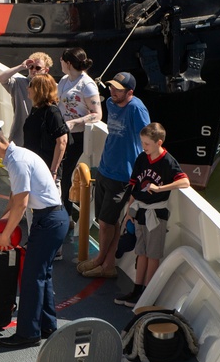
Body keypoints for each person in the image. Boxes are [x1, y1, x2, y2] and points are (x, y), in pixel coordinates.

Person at [0, 121, 68, 346]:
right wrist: (0, 222)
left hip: (48, 221)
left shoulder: (17, 162)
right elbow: (14, 198)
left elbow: (22, 203)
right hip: (52, 218)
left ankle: (28, 333)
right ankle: (46, 325)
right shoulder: (18, 156)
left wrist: (5, 234)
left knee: (31, 277)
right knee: (42, 275)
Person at [76, 72, 150, 279]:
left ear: (130, 92)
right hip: (105, 169)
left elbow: (147, 140)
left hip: (123, 176)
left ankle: (101, 260)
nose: (112, 91)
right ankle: (108, 264)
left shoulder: (136, 108)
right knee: (106, 220)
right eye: (111, 87)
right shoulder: (109, 103)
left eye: (118, 89)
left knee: (107, 222)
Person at [114, 123, 189, 307]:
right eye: (142, 143)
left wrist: (160, 188)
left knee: (152, 255)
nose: (143, 147)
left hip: (156, 215)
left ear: (158, 142)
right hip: (140, 212)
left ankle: (148, 294)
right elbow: (134, 185)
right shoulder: (142, 158)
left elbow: (185, 182)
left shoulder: (168, 162)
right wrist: (129, 211)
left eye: (147, 144)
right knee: (141, 253)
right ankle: (136, 290)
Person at [57, 47, 101, 221]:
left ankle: (66, 215)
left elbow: (97, 113)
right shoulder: (64, 81)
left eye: (62, 60)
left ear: (68, 63)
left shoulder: (87, 85)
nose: (60, 62)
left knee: (67, 174)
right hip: (62, 133)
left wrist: (75, 122)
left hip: (77, 136)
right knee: (59, 172)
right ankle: (60, 209)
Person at [0, 52, 53, 147]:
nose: (33, 70)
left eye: (38, 68)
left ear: (46, 70)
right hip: (20, 138)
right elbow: (1, 78)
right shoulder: (19, 83)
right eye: (31, 67)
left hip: (41, 139)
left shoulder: (52, 88)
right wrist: (21, 67)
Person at [23, 73, 69, 180]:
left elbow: (62, 141)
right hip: (33, 168)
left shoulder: (52, 112)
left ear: (39, 89)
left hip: (46, 171)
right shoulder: (35, 109)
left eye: (30, 85)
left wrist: (53, 171)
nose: (27, 87)